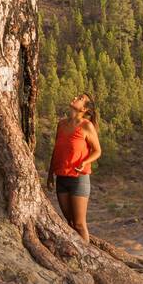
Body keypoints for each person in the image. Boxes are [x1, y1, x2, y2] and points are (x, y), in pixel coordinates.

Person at [47, 92, 101, 243]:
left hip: (79, 179)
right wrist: (50, 175)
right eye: (77, 96)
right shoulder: (61, 124)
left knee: (79, 224)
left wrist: (84, 162)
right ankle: (78, 255)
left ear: (84, 109)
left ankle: (88, 258)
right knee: (70, 223)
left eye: (80, 99)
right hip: (61, 178)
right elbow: (56, 150)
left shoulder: (86, 126)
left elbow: (97, 151)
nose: (75, 98)